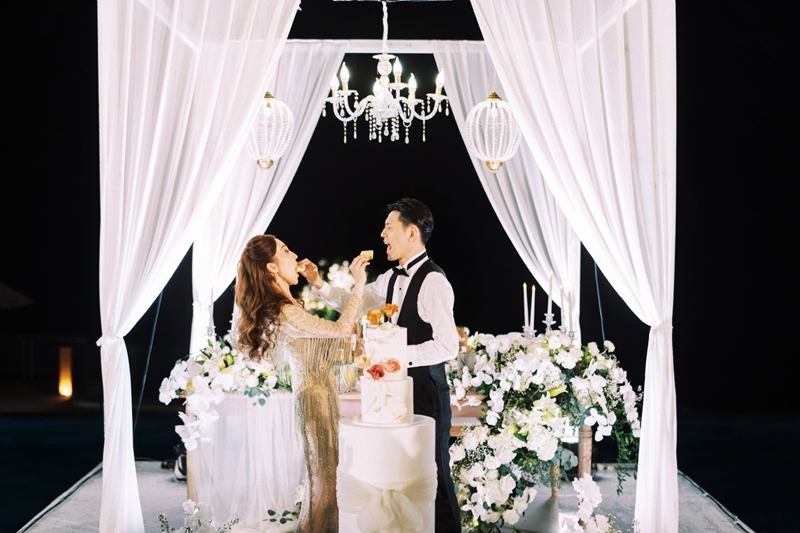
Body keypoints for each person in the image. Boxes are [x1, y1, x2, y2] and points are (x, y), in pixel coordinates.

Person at [306, 198, 461, 532]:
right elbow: (355, 302)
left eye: (389, 227)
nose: (382, 234)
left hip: (427, 390)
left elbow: (448, 345)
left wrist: (397, 355)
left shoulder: (433, 281)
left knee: (434, 474)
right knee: (401, 474)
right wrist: (318, 284)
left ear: (411, 232)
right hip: (394, 395)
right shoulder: (390, 277)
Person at [234, 234, 368, 533]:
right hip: (314, 399)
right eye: (285, 251)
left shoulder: (288, 305)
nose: (295, 255)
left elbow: (329, 343)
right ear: (271, 267)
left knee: (324, 477)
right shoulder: (286, 310)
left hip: (321, 394)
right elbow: (340, 329)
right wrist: (358, 283)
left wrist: (317, 281)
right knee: (324, 479)